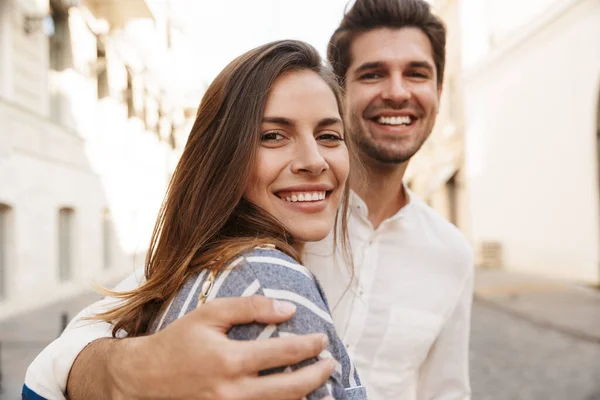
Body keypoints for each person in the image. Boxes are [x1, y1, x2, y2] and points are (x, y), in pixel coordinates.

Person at [25, 0, 474, 399]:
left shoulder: (451, 254)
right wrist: (133, 370)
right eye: (373, 73)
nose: (397, 91)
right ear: (341, 88)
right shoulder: (266, 218)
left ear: (438, 90)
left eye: (417, 73)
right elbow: (63, 358)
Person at [23, 40, 367, 400]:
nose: (313, 161)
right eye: (272, 136)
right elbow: (49, 372)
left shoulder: (205, 266)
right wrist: (126, 369)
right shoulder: (266, 282)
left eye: (329, 136)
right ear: (223, 157)